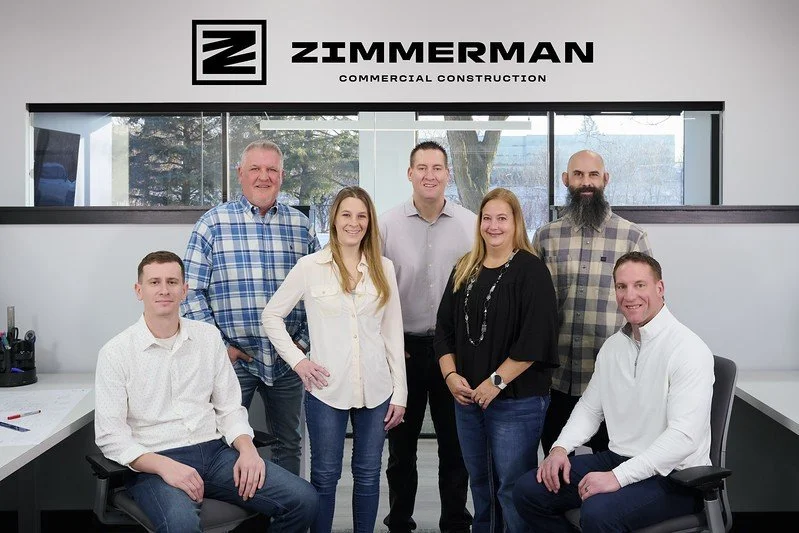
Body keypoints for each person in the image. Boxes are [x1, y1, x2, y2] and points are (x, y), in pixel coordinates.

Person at [95, 251, 318, 533]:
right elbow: (110, 436)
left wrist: (248, 449)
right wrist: (164, 466)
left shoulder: (207, 337)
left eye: (172, 282)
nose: (164, 290)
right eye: (154, 282)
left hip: (214, 453)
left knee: (304, 499)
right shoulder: (115, 353)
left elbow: (229, 408)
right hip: (155, 461)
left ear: (185, 290)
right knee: (182, 525)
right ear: (139, 290)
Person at [512, 252, 714, 533]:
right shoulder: (613, 347)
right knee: (528, 491)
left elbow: (682, 439)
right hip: (620, 457)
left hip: (675, 476)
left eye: (639, 285)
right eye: (621, 287)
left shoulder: (688, 350)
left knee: (598, 513)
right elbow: (590, 408)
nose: (630, 295)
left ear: (660, 288)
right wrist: (560, 448)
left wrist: (616, 478)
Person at [262, 186, 407, 533]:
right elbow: (271, 316)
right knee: (324, 477)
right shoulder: (310, 267)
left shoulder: (383, 268)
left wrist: (400, 394)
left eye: (361, 216)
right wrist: (299, 362)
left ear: (369, 222)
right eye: (346, 215)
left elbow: (392, 333)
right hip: (326, 389)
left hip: (377, 389)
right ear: (334, 219)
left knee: (369, 475)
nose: (353, 223)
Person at [182, 140, 319, 476]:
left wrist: (301, 343)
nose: (263, 177)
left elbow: (319, 292)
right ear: (240, 173)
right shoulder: (212, 224)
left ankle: (287, 519)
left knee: (289, 442)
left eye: (271, 169)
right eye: (255, 169)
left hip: (288, 360)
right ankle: (237, 518)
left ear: (282, 176)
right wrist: (221, 349)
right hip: (232, 361)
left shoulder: (300, 227)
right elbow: (190, 293)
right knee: (225, 441)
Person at [435, 188, 559, 533]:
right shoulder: (465, 268)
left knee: (512, 489)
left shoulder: (531, 271)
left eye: (502, 218)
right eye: (487, 218)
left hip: (516, 402)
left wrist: (496, 383)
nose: (493, 226)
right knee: (481, 485)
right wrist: (450, 376)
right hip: (468, 399)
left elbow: (537, 338)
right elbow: (443, 329)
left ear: (516, 222)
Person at [379, 140, 475, 533]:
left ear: (448, 173)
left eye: (437, 167)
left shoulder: (472, 224)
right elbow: (375, 290)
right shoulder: (385, 225)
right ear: (409, 173)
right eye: (422, 167)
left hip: (454, 353)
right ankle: (399, 521)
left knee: (455, 447)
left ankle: (455, 521)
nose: (429, 175)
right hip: (405, 350)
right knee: (401, 450)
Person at [534, 150, 653, 454]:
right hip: (556, 379)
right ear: (566, 180)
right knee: (555, 465)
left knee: (611, 470)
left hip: (613, 381)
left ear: (605, 179)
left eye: (593, 175)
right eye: (578, 175)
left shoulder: (632, 237)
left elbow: (650, 310)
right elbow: (532, 307)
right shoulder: (546, 237)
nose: (585, 182)